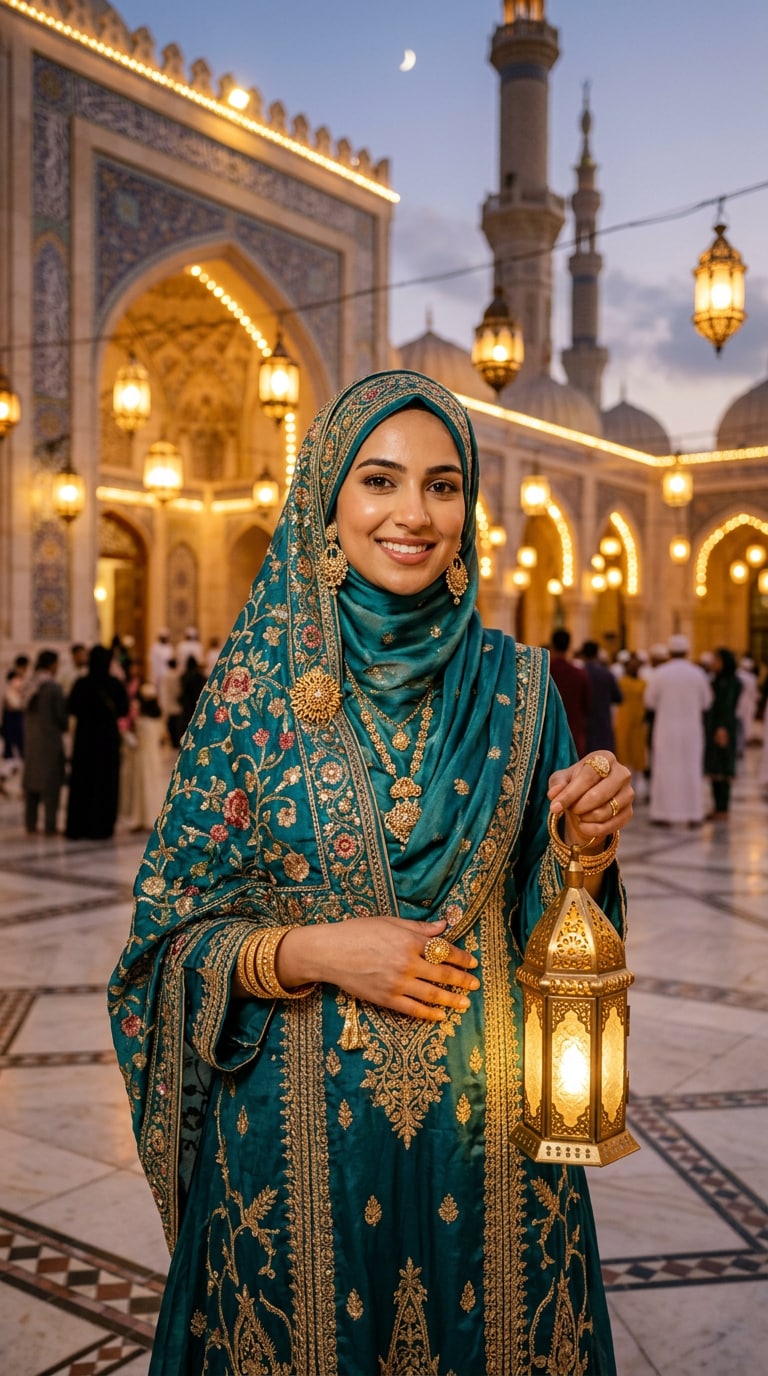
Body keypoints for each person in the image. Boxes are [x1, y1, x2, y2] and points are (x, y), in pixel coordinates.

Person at [109, 370, 633, 1376]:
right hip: (293, 1151)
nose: (413, 514)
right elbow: (164, 942)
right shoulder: (251, 697)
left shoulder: (521, 689)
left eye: (443, 485)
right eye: (380, 480)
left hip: (487, 1149)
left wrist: (586, 846)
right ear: (326, 502)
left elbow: (555, 927)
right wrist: (309, 949)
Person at [644, 634, 712, 826]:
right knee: (691, 768)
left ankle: (662, 813)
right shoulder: (698, 673)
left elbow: (649, 701)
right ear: (687, 652)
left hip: (666, 729)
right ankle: (693, 814)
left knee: (665, 768)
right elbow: (707, 702)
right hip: (691, 730)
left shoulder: (660, 673)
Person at [66, 645, 129, 840]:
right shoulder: (115, 684)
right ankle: (101, 827)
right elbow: (124, 710)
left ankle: (79, 826)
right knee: (105, 781)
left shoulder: (81, 683)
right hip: (107, 741)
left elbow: (71, 708)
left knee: (83, 781)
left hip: (85, 740)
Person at [22, 649, 68, 834]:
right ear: (51, 665)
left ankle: (30, 823)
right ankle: (50, 824)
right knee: (51, 785)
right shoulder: (52, 688)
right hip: (49, 743)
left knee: (32, 784)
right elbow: (62, 718)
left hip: (32, 742)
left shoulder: (30, 684)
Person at [704, 647, 742, 820]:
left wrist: (722, 728)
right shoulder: (717, 681)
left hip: (723, 728)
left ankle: (723, 808)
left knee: (723, 767)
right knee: (715, 768)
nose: (713, 663)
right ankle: (718, 807)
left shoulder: (731, 682)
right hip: (714, 727)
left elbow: (727, 707)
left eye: (716, 660)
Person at [130, 684, 169, 831]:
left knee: (142, 787)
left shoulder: (141, 721)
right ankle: (147, 818)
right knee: (151, 786)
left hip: (143, 758)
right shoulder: (157, 720)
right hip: (154, 759)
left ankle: (144, 819)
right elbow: (164, 739)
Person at [549, 626, 591, 755]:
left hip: (548, 731)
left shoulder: (545, 671)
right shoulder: (579, 674)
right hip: (573, 731)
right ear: (569, 646)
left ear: (552, 645)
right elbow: (587, 705)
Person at [613, 652, 648, 801]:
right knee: (623, 753)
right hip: (623, 721)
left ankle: (637, 789)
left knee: (638, 755)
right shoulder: (621, 682)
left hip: (638, 723)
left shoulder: (643, 683)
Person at [580, 639, 622, 752]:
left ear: (583, 654)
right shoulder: (606, 674)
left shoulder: (579, 673)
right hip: (603, 725)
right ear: (597, 654)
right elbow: (618, 697)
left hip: (585, 726)